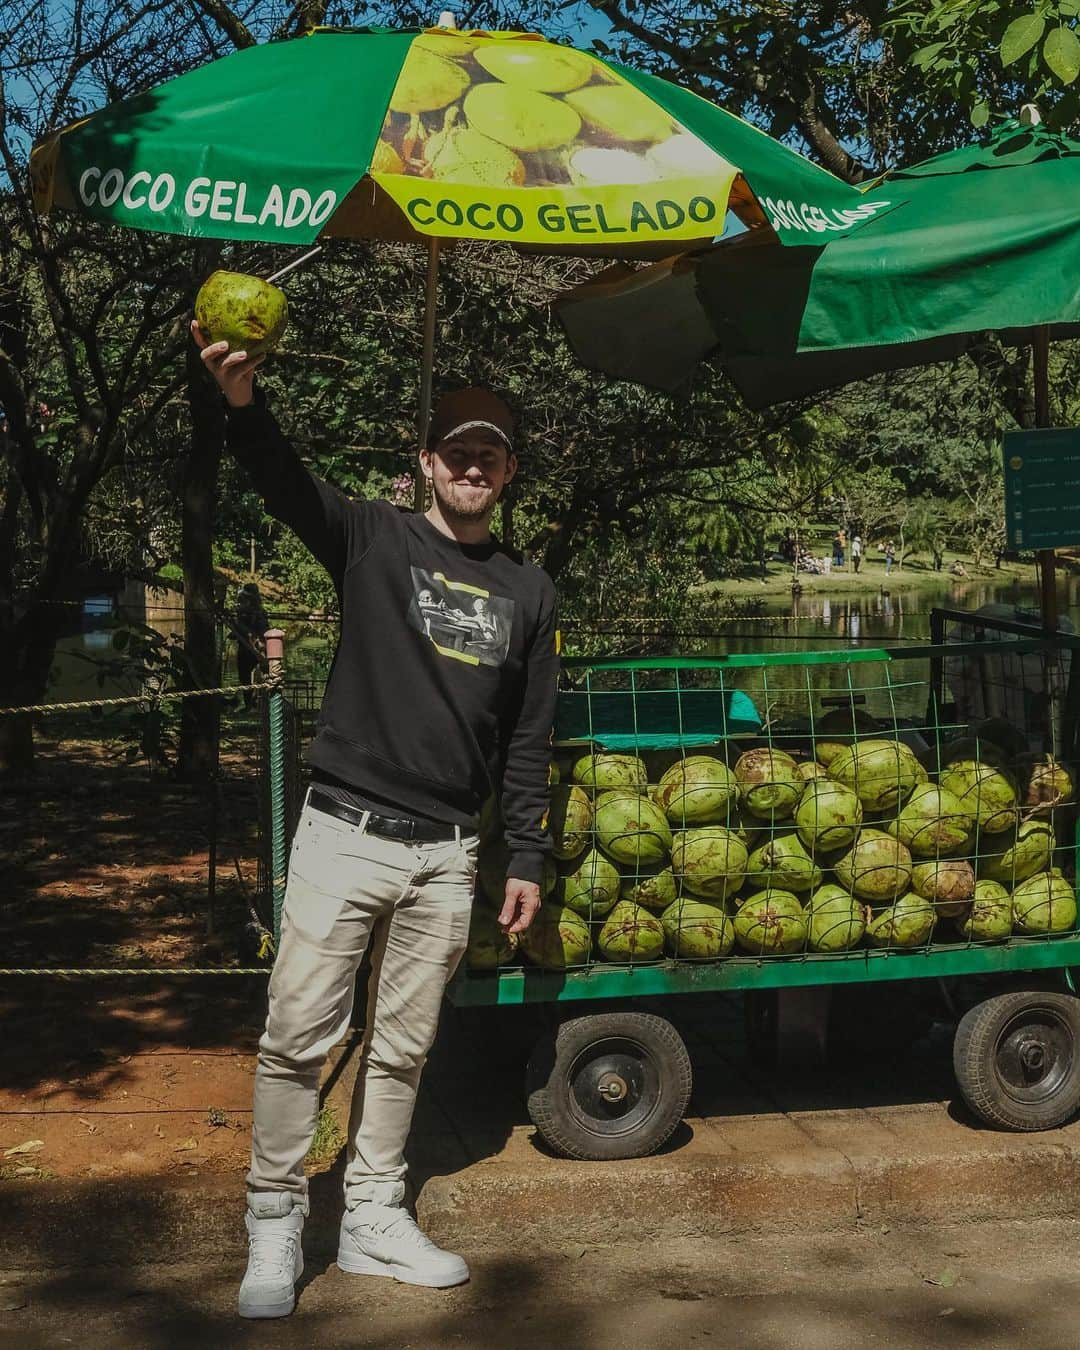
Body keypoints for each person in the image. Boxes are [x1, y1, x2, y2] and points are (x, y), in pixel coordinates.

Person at [192, 322, 559, 1320]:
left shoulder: (529, 590)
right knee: (297, 1037)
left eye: (492, 452)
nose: (474, 465)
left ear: (509, 470)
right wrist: (241, 399)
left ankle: (371, 1217)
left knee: (403, 1047)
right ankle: (273, 1223)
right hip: (343, 832)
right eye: (458, 450)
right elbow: (280, 477)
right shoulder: (370, 538)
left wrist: (523, 850)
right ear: (427, 464)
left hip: (448, 852)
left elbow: (529, 734)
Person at [233, 582, 269, 708]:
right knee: (244, 677)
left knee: (261, 676)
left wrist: (255, 639)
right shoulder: (241, 613)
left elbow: (261, 631)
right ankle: (249, 704)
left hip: (257, 650)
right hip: (244, 648)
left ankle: (258, 703)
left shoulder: (260, 613)